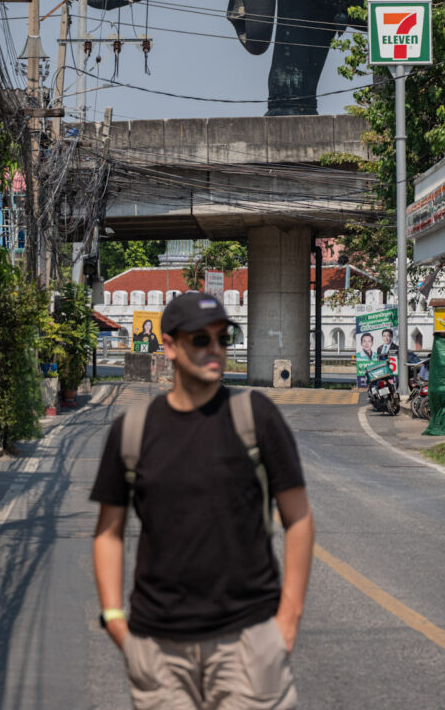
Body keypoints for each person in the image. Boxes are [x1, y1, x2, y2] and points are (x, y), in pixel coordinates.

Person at [91, 291, 315, 710]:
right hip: (159, 648)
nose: (215, 349)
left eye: (223, 338)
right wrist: (114, 619)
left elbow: (298, 517)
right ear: (170, 345)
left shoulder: (256, 416)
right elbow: (108, 531)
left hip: (247, 641)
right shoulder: (134, 429)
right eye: (200, 339)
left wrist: (288, 618)